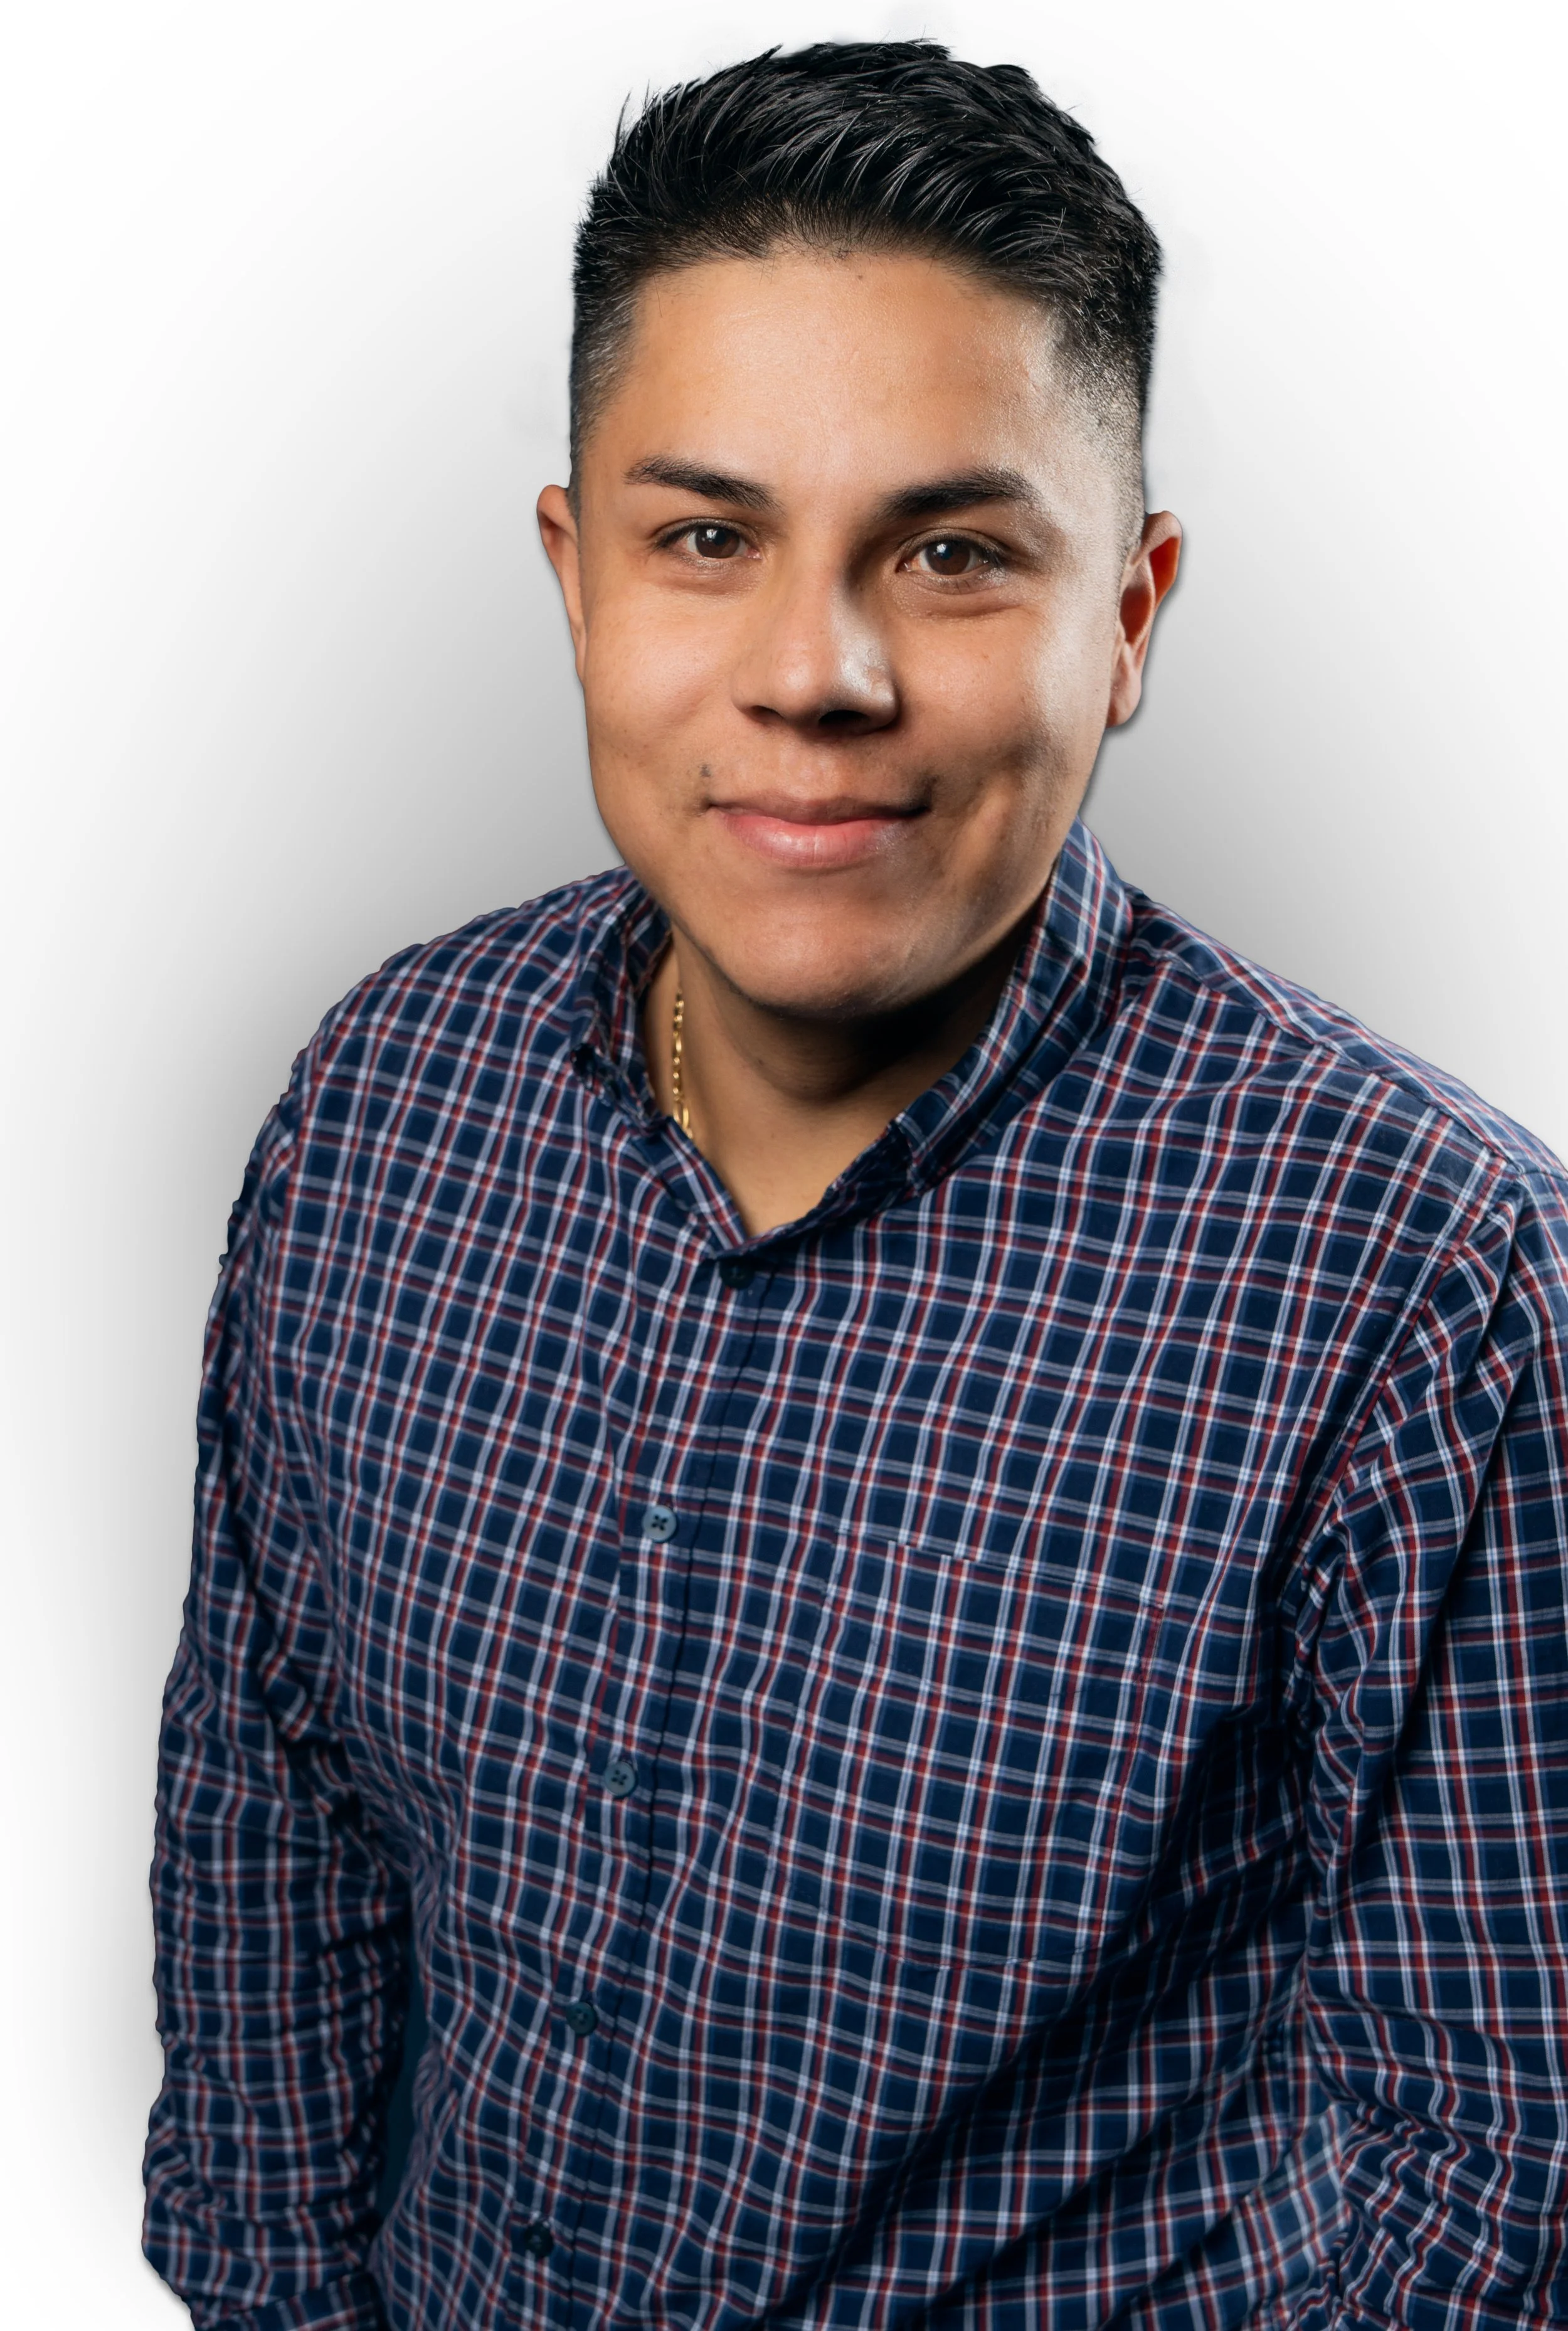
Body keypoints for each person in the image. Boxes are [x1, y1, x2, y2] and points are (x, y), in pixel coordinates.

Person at [144, 40, 1568, 2331]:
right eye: (705, 538)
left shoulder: (1422, 1281)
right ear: (572, 573)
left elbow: (1479, 2163)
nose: (816, 673)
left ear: (1130, 612)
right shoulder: (377, 1104)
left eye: (955, 552)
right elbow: (266, 1820)